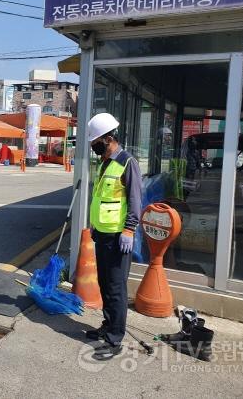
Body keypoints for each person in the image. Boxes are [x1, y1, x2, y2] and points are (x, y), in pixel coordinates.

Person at [85, 113, 142, 360]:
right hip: (103, 235)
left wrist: (129, 230)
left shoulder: (128, 163)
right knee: (104, 284)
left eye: (96, 141)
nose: (93, 146)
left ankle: (114, 340)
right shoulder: (106, 162)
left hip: (119, 237)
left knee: (116, 288)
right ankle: (108, 325)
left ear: (108, 139)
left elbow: (135, 200)